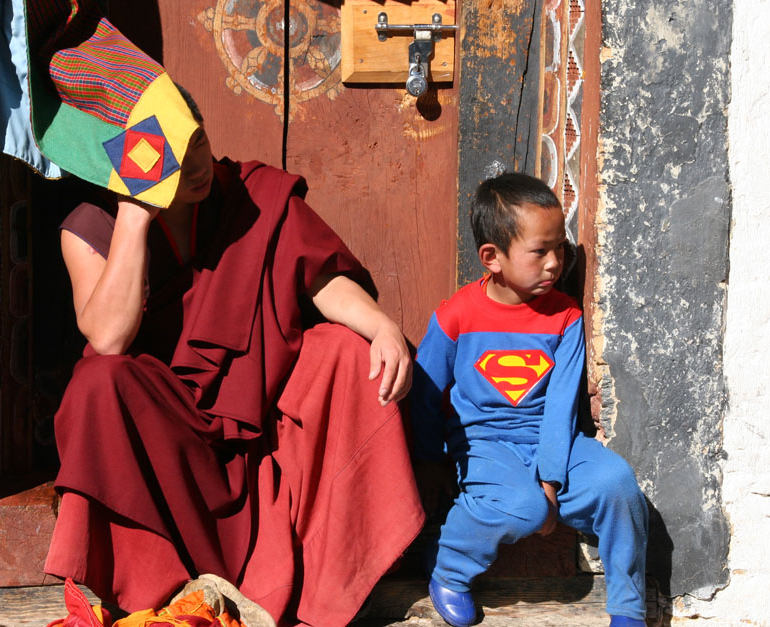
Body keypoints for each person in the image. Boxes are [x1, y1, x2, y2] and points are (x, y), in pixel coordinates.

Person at [42, 95, 425, 627]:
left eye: (197, 140)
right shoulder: (91, 225)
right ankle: (160, 591)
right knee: (98, 382)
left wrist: (380, 326)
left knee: (343, 349)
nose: (197, 165)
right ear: (131, 163)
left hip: (259, 415)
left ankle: (329, 580)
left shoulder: (251, 194)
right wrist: (134, 217)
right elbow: (108, 338)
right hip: (159, 433)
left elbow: (315, 274)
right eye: (175, 154)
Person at [410, 174, 649, 627]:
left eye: (559, 248)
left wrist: (551, 476)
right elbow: (425, 391)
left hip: (551, 441)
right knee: (523, 508)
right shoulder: (457, 317)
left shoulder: (565, 318)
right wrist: (429, 459)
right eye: (540, 251)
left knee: (616, 482)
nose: (555, 262)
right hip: (483, 445)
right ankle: (449, 565)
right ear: (492, 258)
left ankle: (628, 604)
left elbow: (561, 405)